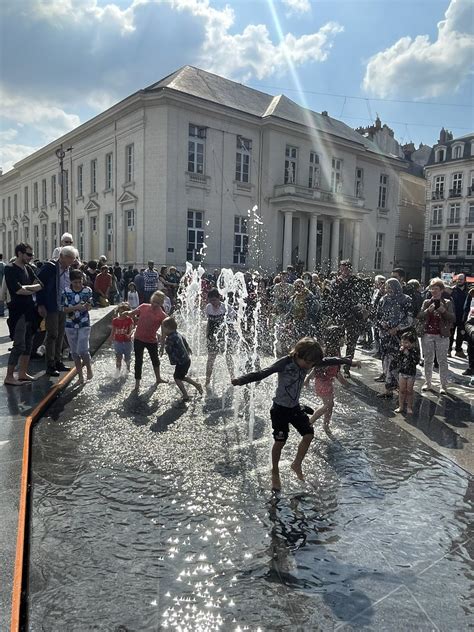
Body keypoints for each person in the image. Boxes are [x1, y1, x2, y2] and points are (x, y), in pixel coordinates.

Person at [232, 337, 355, 491]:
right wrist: (240, 380)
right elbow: (263, 372)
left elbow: (330, 360)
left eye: (312, 364)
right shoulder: (285, 362)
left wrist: (348, 361)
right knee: (280, 442)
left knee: (309, 434)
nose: (309, 366)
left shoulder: (308, 361)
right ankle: (275, 471)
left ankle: (296, 464)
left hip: (295, 408)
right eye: (308, 363)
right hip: (280, 410)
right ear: (297, 354)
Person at [305, 326, 361, 431]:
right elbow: (325, 369)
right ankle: (309, 423)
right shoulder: (331, 352)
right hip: (322, 382)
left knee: (330, 406)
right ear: (337, 338)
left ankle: (326, 426)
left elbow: (333, 369)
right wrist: (308, 378)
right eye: (342, 337)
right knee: (327, 405)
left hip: (325, 382)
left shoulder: (332, 350)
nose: (344, 339)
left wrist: (308, 379)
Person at [4, 243, 43, 385]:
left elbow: (40, 284)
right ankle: (9, 376)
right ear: (20, 253)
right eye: (28, 254)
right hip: (18, 311)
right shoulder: (10, 269)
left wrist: (27, 287)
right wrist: (30, 289)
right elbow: (17, 290)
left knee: (28, 343)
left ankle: (22, 373)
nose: (31, 257)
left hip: (29, 311)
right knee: (19, 344)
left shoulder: (28, 268)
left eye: (32, 255)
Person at [37, 245, 77, 377]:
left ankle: (58, 361)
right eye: (70, 258)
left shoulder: (68, 269)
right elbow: (40, 285)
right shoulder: (50, 267)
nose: (72, 261)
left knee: (60, 335)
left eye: (73, 259)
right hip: (52, 305)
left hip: (63, 306)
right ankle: (50, 364)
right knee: (52, 334)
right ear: (62, 257)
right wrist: (41, 304)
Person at [124, 290, 168, 391]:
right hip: (139, 338)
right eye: (153, 301)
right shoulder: (144, 306)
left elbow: (165, 329)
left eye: (157, 303)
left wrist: (162, 344)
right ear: (151, 300)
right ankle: (137, 383)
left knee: (155, 360)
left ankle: (158, 378)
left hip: (151, 340)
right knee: (138, 361)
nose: (154, 304)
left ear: (161, 304)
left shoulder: (162, 315)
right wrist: (128, 313)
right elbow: (133, 312)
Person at [417, 278, 455, 395]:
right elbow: (419, 315)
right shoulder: (427, 302)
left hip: (442, 335)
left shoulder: (447, 302)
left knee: (442, 360)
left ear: (442, 290)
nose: (433, 291)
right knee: (428, 360)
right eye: (432, 288)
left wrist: (443, 311)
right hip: (427, 334)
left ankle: (443, 385)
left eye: (436, 289)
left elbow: (453, 318)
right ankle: (428, 383)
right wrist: (428, 311)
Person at [375, 278, 412, 399]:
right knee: (386, 361)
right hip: (385, 335)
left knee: (397, 363)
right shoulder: (383, 299)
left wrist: (397, 328)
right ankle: (388, 389)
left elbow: (410, 319)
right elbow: (378, 315)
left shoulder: (406, 299)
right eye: (387, 287)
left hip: (400, 337)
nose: (388, 289)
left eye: (390, 287)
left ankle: (400, 389)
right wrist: (382, 324)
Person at [62, 269, 93, 384]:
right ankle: (80, 376)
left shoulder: (87, 290)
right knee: (74, 352)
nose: (78, 284)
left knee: (83, 350)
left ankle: (89, 369)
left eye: (80, 282)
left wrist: (87, 306)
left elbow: (90, 306)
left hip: (84, 323)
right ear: (71, 281)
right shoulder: (66, 291)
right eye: (75, 282)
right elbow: (64, 309)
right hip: (70, 324)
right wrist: (77, 307)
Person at [161, 316, 202, 402]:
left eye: (163, 328)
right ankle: (197, 385)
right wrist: (188, 348)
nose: (162, 330)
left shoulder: (170, 338)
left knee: (176, 378)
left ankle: (185, 395)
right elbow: (184, 341)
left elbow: (168, 350)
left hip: (181, 362)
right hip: (185, 360)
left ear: (168, 328)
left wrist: (164, 343)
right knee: (181, 377)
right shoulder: (177, 333)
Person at [205, 288, 236, 388]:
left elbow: (233, 319)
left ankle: (233, 378)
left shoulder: (226, 307)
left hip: (224, 335)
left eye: (214, 300)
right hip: (212, 335)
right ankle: (207, 380)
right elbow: (209, 323)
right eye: (211, 300)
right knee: (210, 358)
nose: (212, 302)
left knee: (228, 356)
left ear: (219, 298)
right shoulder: (208, 308)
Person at [392, 331, 420, 415]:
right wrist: (400, 353)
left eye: (406, 342)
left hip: (411, 373)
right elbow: (397, 359)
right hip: (402, 372)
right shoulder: (401, 349)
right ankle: (401, 406)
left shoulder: (415, 350)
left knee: (409, 391)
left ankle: (409, 407)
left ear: (412, 343)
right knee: (402, 390)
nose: (404, 344)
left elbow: (416, 361)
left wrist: (408, 354)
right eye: (402, 342)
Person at [110, 302, 134, 378]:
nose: (122, 314)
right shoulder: (115, 320)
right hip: (118, 342)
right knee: (118, 357)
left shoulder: (129, 320)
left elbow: (131, 329)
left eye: (124, 312)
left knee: (127, 358)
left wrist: (129, 334)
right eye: (120, 312)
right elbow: (113, 330)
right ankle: (117, 372)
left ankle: (127, 371)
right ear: (118, 311)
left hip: (127, 342)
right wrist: (111, 338)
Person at [450, 273, 468, 358]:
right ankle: (449, 350)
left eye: (461, 279)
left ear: (465, 280)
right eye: (458, 279)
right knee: (450, 333)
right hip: (453, 315)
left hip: (463, 316)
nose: (459, 281)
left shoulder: (468, 291)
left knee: (461, 334)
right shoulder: (452, 290)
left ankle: (458, 350)